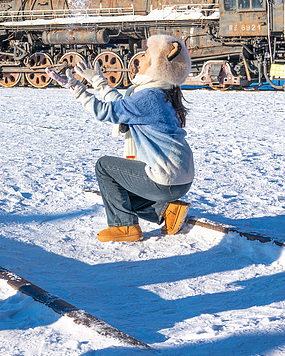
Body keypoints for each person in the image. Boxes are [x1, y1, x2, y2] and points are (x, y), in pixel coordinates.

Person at [47, 34, 194, 242]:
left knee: (105, 167)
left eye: (145, 55)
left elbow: (104, 112)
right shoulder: (160, 92)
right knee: (117, 195)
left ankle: (124, 227)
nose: (139, 58)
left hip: (166, 178)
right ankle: (166, 211)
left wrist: (77, 89)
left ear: (155, 66)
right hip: (181, 178)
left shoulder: (148, 97)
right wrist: (97, 82)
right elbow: (123, 106)